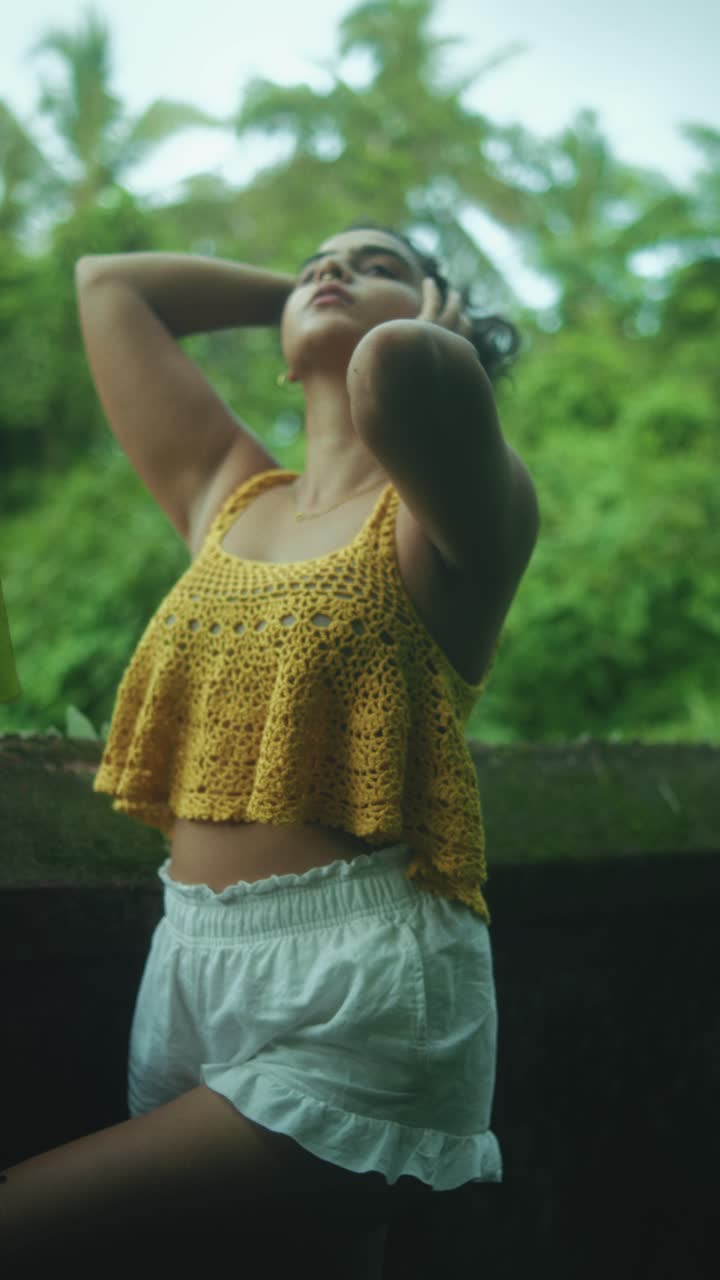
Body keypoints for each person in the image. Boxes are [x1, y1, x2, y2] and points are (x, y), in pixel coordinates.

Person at [0, 220, 539, 1274]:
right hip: (195, 973)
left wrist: (410, 323)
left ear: (446, 316)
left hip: (365, 992)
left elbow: (401, 369)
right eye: (313, 263)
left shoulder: (458, 510)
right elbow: (109, 286)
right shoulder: (228, 492)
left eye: (377, 263)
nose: (331, 269)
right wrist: (308, 295)